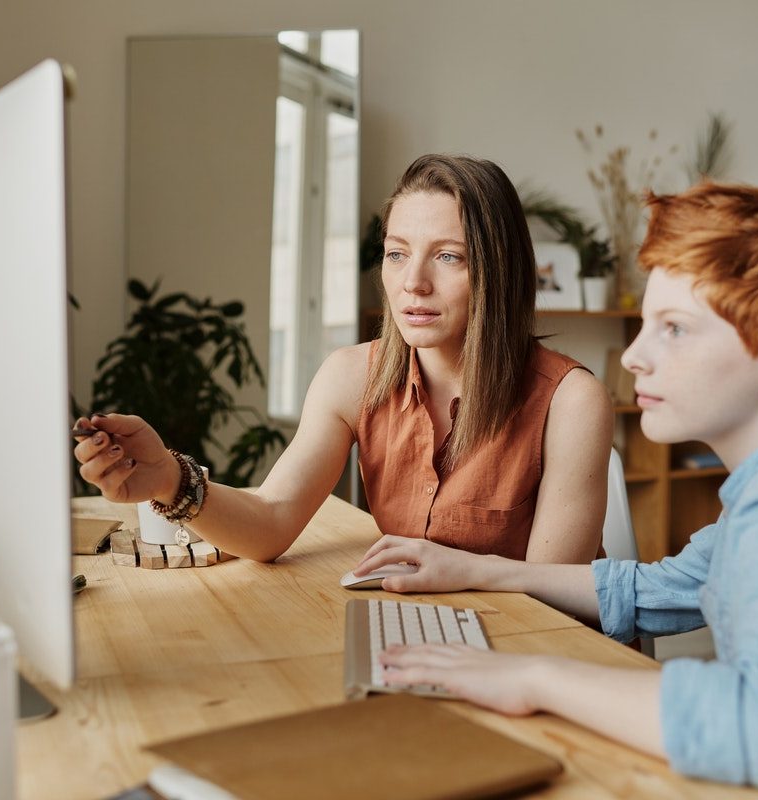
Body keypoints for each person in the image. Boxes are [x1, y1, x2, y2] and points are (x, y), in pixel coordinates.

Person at [360, 183, 758, 790]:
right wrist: (476, 569)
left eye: (675, 329)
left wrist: (534, 679)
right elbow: (664, 587)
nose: (633, 356)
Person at [73, 154, 613, 564]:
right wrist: (169, 478)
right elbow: (271, 521)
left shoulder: (571, 401)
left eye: (448, 257)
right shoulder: (352, 376)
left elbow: (551, 600)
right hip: (426, 636)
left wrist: (448, 575)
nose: (413, 283)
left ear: (500, 272)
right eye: (397, 253)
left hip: (535, 656)